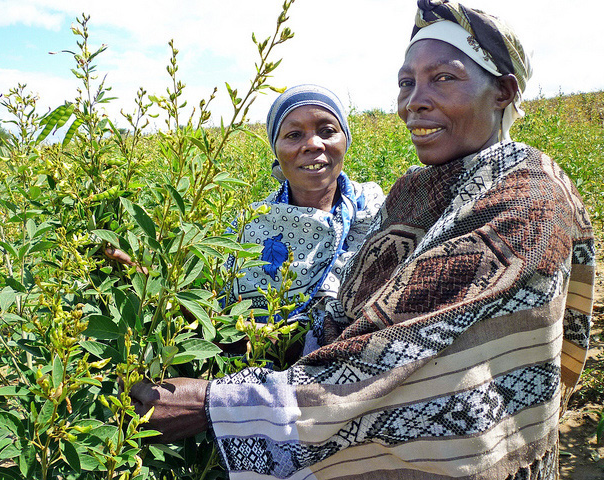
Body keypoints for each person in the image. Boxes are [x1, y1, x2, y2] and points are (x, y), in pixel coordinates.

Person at [129, 1, 595, 479]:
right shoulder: (417, 189)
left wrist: (218, 404)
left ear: (503, 91)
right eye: (406, 82)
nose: (415, 100)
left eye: (443, 78)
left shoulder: (527, 199)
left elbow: (405, 362)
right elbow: (349, 321)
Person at [223, 84, 384, 322]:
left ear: (345, 140)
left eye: (327, 131)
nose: (313, 144)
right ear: (276, 150)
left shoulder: (379, 211)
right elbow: (219, 314)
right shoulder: (250, 226)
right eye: (294, 135)